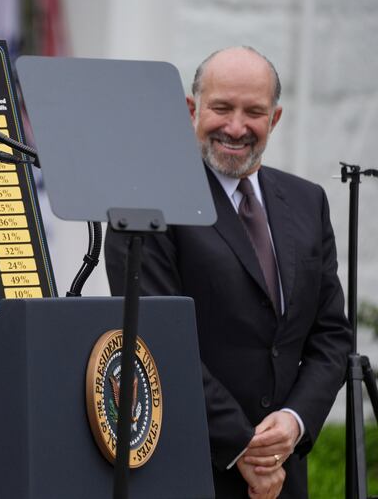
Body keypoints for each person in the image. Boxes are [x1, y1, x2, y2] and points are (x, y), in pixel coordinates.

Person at [105, 46, 351, 498]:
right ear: (191, 109)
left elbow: (331, 335)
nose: (236, 127)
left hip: (284, 476)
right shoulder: (143, 205)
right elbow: (156, 342)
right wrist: (244, 447)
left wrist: (294, 423)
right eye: (222, 108)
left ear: (274, 119)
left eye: (253, 112)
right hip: (188, 472)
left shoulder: (307, 201)